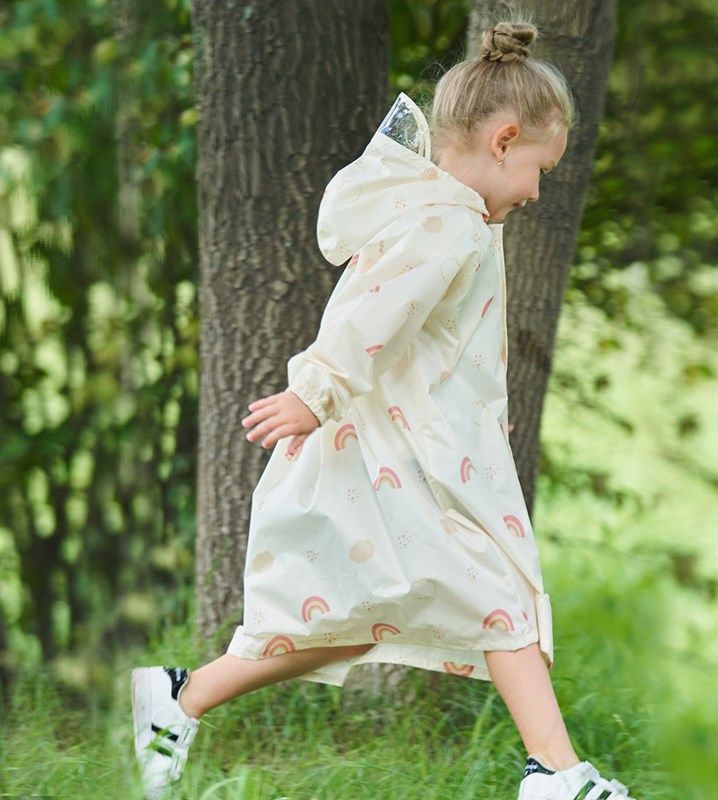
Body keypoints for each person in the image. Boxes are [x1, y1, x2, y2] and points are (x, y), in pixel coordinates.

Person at [131, 19, 638, 800]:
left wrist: (478, 414)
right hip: (396, 458)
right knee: (501, 600)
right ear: (504, 140)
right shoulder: (450, 223)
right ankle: (558, 776)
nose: (537, 192)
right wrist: (315, 390)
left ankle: (182, 697)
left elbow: (436, 345)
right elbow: (372, 312)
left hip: (407, 454)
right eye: (540, 169)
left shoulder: (444, 214)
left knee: (350, 618)